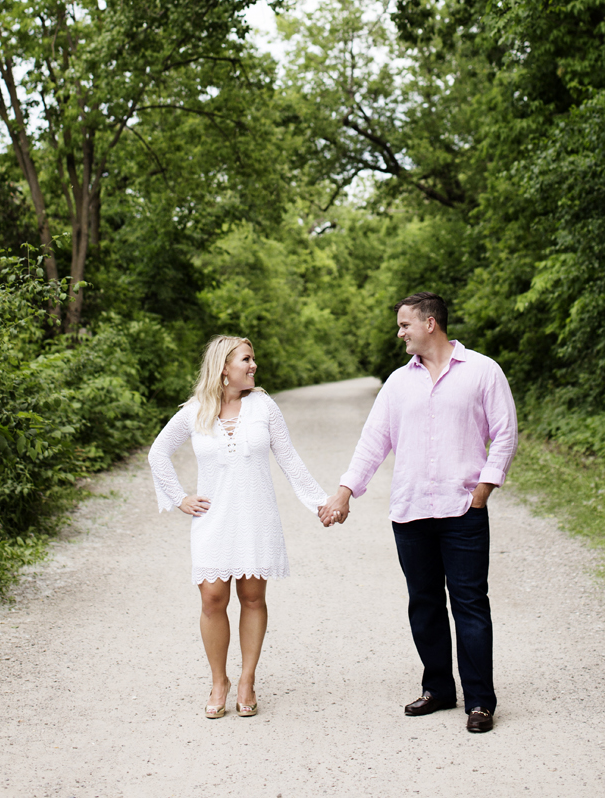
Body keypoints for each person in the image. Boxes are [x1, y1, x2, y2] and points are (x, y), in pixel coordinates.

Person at [319, 292, 517, 734]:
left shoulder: (483, 371)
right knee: (424, 604)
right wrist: (344, 492)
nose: (400, 332)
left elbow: (505, 434)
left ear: (431, 323)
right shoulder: (397, 382)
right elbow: (374, 442)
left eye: (405, 324)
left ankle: (480, 700)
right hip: (410, 511)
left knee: (469, 603)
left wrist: (483, 490)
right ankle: (439, 689)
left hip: (462, 509)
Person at [148, 334, 326, 719]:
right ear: (223, 367)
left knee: (252, 598)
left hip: (255, 517)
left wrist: (321, 503)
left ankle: (246, 679)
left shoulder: (264, 406)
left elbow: (289, 459)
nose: (253, 365)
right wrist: (179, 498)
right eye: (246, 359)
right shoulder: (196, 411)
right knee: (212, 599)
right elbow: (158, 452)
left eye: (253, 359)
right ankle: (219, 681)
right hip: (213, 519)